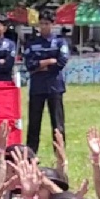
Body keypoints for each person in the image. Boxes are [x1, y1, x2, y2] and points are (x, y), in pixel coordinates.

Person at [24, 12, 69, 154]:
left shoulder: (60, 42)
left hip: (55, 86)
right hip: (37, 87)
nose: (44, 26)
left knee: (57, 123)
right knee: (34, 123)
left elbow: (61, 62)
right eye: (41, 23)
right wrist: (48, 61)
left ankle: (60, 154)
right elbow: (29, 64)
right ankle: (31, 154)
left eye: (47, 23)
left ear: (53, 25)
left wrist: (40, 66)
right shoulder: (32, 43)